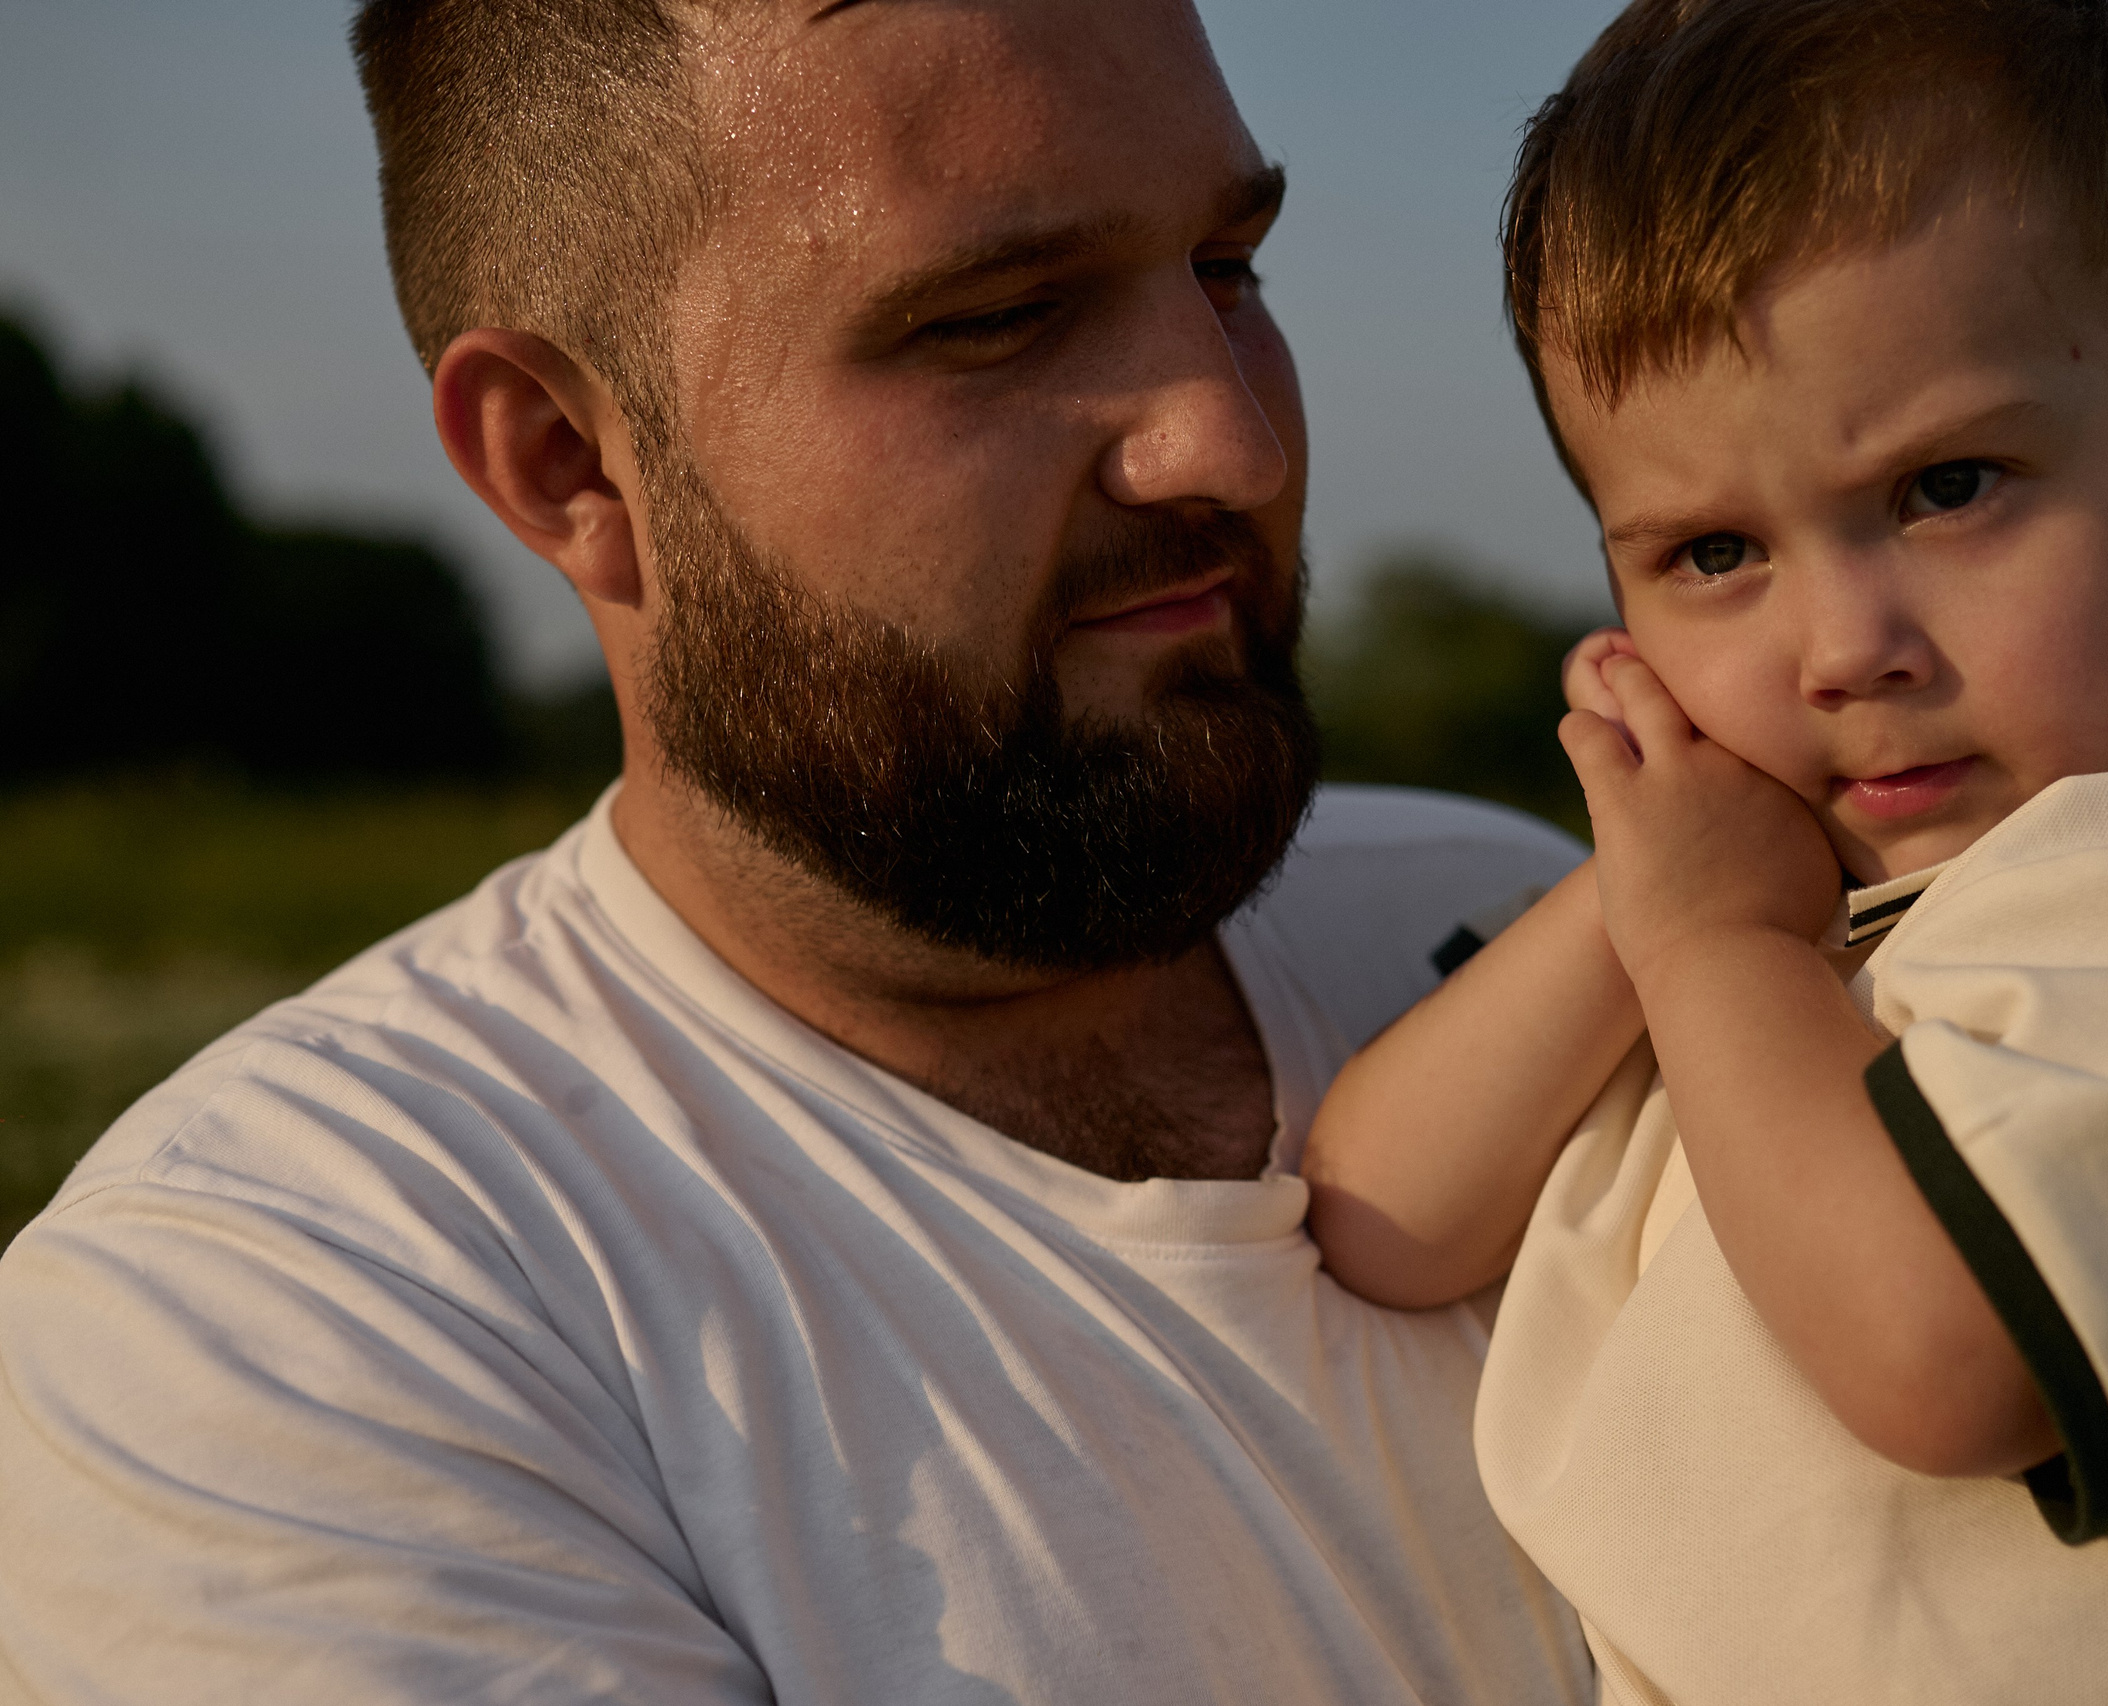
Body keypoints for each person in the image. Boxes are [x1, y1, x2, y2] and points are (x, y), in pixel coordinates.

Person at [0, 3, 1597, 1702]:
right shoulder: (301, 1311)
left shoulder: (1519, 915)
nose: (1234, 442)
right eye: (999, 319)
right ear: (567, 463)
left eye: (1228, 265)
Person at [1302, 1, 2108, 1700]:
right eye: (1714, 550)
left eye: (1948, 488)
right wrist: (1648, 888)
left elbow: (1942, 1355)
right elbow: (1378, 1216)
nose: (1845, 648)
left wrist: (1718, 951)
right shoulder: (1761, 923)